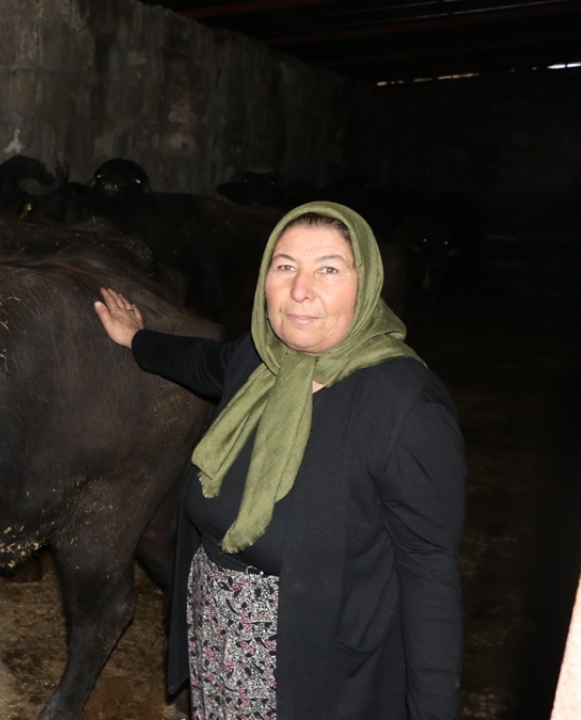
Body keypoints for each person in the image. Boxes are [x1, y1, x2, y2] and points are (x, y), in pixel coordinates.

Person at [94, 201, 465, 719]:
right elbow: (199, 362)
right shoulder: (259, 359)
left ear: (367, 284)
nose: (299, 289)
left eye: (328, 269)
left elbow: (429, 575)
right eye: (284, 265)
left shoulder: (403, 405)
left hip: (313, 664)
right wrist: (136, 338)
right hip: (218, 631)